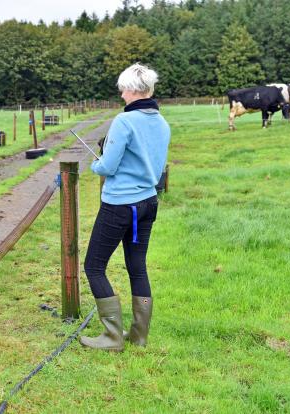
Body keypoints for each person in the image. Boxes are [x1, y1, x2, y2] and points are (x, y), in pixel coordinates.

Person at [79, 63, 170, 352]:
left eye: (122, 89)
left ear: (132, 89)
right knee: (137, 267)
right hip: (148, 202)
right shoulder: (162, 123)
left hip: (120, 205)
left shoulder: (124, 121)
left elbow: (107, 165)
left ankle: (112, 337)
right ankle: (139, 335)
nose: (121, 95)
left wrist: (96, 164)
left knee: (93, 266)